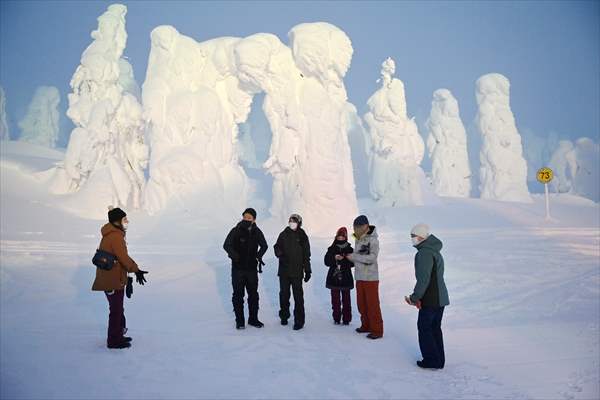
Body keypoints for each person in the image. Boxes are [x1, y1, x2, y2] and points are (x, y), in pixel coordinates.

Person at [92, 207, 148, 349]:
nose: (127, 222)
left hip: (112, 277)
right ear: (117, 222)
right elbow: (123, 258)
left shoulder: (112, 234)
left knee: (117, 309)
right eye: (124, 219)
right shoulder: (115, 236)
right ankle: (113, 340)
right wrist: (136, 270)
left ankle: (118, 334)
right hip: (112, 279)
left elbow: (119, 258)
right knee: (116, 310)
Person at [405, 223, 449, 370]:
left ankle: (431, 360)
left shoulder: (424, 253)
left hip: (431, 298)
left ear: (421, 237)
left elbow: (424, 279)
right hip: (440, 297)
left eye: (413, 236)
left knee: (425, 328)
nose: (412, 239)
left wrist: (415, 297)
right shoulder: (435, 251)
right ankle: (439, 360)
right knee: (435, 328)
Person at [223, 208, 268, 330]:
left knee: (253, 295)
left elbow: (264, 245)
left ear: (254, 219)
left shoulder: (257, 232)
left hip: (252, 270)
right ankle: (240, 321)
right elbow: (226, 245)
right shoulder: (236, 230)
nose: (247, 219)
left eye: (249, 218)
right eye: (245, 217)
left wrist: (258, 256)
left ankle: (253, 319)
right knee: (238, 295)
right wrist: (235, 256)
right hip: (238, 269)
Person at [347, 215, 383, 339]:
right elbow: (358, 256)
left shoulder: (373, 240)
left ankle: (377, 330)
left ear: (365, 226)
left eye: (357, 227)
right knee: (361, 304)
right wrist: (347, 258)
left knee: (372, 304)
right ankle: (366, 325)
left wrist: (354, 257)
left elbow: (372, 258)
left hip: (370, 278)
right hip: (359, 277)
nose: (355, 229)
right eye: (354, 227)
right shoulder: (358, 238)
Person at [274, 214, 311, 330]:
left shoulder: (302, 236)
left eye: (294, 221)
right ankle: (284, 316)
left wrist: (308, 270)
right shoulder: (283, 234)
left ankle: (299, 321)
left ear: (299, 223)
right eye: (290, 221)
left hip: (297, 272)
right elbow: (276, 247)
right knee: (284, 295)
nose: (291, 223)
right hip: (284, 271)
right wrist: (280, 254)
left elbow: (306, 255)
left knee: (298, 296)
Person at [323, 227, 354, 325]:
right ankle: (336, 318)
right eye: (339, 237)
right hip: (334, 277)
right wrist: (334, 257)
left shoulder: (350, 248)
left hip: (346, 277)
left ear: (345, 237)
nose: (340, 238)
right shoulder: (332, 248)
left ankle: (346, 319)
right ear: (336, 237)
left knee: (346, 300)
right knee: (335, 300)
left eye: (342, 237)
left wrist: (349, 259)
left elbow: (354, 263)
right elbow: (326, 261)